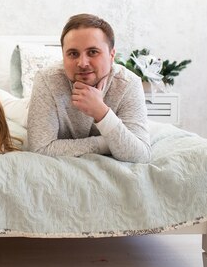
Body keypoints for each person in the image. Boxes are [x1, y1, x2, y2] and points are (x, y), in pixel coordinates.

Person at [27, 14, 151, 163]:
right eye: (73, 54)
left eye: (93, 52)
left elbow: (140, 155)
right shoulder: (47, 79)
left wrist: (101, 112)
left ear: (112, 55)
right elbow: (40, 149)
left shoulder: (128, 84)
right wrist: (104, 143)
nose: (82, 63)